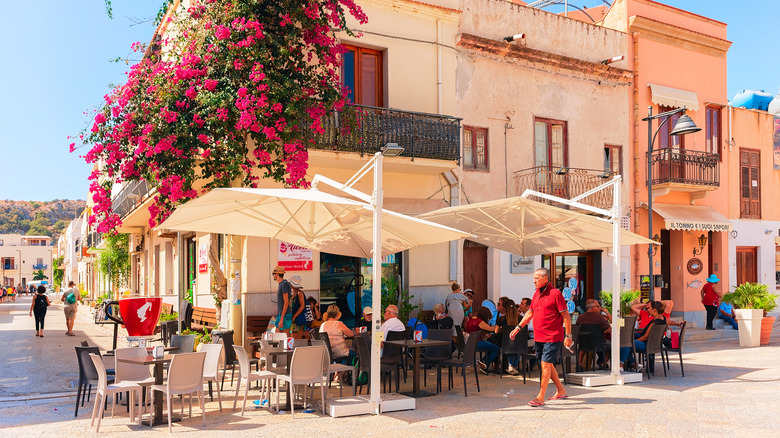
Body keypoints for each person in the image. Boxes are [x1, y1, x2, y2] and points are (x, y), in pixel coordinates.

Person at [510, 268, 573, 407]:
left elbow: (566, 316)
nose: (534, 280)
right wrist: (518, 327)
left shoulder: (556, 294)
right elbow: (530, 313)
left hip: (552, 336)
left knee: (545, 364)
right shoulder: (536, 294)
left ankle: (540, 397)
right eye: (534, 278)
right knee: (547, 364)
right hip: (539, 337)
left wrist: (568, 336)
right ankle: (561, 390)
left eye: (537, 278)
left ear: (545, 278)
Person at [619, 300, 667, 369]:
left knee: (627, 343)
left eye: (649, 308)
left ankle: (622, 365)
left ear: (654, 310)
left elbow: (645, 337)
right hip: (652, 344)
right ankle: (634, 364)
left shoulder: (654, 323)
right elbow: (670, 321)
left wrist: (634, 341)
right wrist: (677, 323)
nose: (648, 310)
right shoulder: (663, 319)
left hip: (647, 344)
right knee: (626, 340)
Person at [576, 299, 612, 369]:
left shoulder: (580, 318)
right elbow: (608, 330)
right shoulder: (600, 318)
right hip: (598, 344)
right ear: (593, 308)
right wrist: (607, 312)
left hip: (584, 344)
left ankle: (579, 363)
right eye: (598, 306)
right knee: (612, 345)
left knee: (584, 344)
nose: (600, 308)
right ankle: (603, 363)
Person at [464, 307, 500, 374]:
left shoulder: (471, 319)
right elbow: (490, 329)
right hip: (477, 343)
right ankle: (484, 363)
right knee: (496, 349)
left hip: (469, 343)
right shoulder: (479, 321)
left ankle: (484, 363)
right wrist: (498, 326)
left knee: (490, 348)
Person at [272, 266, 293, 333]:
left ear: (277, 274)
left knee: (282, 338)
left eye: (273, 274)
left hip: (284, 315)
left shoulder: (283, 285)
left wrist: (282, 318)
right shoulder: (284, 284)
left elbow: (286, 302)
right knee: (279, 339)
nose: (273, 276)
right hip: (283, 314)